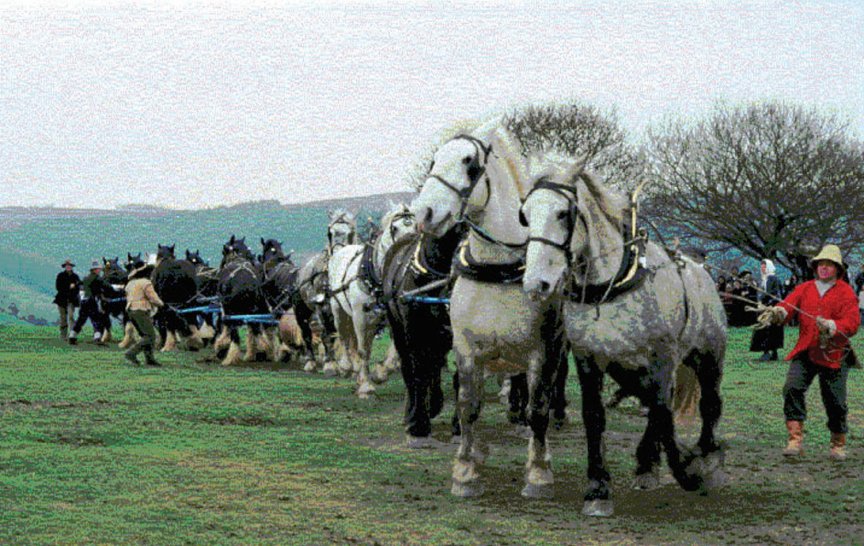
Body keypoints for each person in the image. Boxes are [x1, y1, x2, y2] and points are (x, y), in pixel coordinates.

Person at [758, 244, 860, 461]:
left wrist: (833, 325)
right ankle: (795, 440)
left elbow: (853, 323)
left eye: (829, 264)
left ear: (837, 269)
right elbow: (788, 306)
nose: (824, 267)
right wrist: (779, 312)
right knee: (792, 388)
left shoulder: (846, 292)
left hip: (835, 354)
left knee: (835, 401)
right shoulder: (804, 288)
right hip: (806, 350)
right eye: (821, 264)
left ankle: (838, 443)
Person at [123, 258, 164, 366]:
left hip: (131, 311)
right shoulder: (146, 283)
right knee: (150, 336)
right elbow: (153, 298)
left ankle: (149, 359)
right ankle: (131, 353)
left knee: (145, 335)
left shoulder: (130, 283)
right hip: (141, 311)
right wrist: (162, 304)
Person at [749, 259, 784, 361]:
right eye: (761, 266)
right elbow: (760, 293)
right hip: (763, 309)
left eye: (764, 266)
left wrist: (768, 305)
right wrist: (759, 302)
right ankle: (768, 352)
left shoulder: (774, 279)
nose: (762, 268)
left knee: (770, 330)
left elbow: (776, 294)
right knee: (764, 329)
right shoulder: (763, 279)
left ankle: (769, 352)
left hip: (771, 309)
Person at [69, 260, 109, 345]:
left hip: (83, 301)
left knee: (81, 320)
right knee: (97, 319)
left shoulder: (86, 278)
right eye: (98, 269)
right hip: (91, 301)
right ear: (94, 270)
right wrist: (118, 288)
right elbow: (107, 286)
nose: (99, 270)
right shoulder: (97, 278)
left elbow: (79, 284)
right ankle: (97, 338)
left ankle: (72, 336)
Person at [53, 259, 81, 342]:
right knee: (63, 318)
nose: (68, 267)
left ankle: (72, 334)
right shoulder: (60, 275)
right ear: (65, 267)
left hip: (71, 300)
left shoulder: (75, 276)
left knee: (71, 316)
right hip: (61, 300)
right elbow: (58, 287)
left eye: (69, 266)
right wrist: (69, 286)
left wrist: (74, 287)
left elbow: (78, 287)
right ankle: (63, 335)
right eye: (67, 266)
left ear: (71, 267)